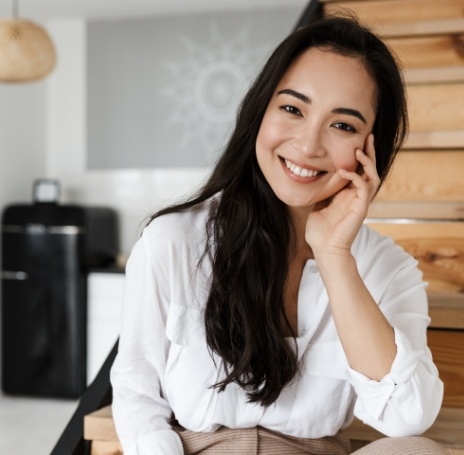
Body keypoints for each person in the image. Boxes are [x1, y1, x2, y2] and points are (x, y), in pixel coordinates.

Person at [111, 15, 446, 455]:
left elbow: (407, 417)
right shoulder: (172, 241)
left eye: (342, 125)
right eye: (292, 108)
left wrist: (334, 255)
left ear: (371, 148)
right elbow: (136, 391)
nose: (308, 145)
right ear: (261, 111)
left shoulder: (386, 268)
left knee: (417, 451)